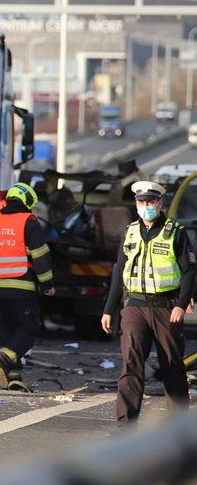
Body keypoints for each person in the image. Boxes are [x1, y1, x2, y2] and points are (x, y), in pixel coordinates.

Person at [101, 180, 194, 424]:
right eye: (142, 202)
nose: (146, 206)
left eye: (151, 202)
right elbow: (119, 271)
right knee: (131, 364)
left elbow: (189, 271)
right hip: (135, 307)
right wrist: (109, 310)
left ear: (160, 203)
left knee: (172, 366)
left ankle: (179, 428)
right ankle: (125, 425)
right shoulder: (130, 231)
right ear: (136, 204)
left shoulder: (176, 232)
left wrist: (181, 304)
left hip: (166, 307)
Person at [0, 182, 56, 390]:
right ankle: (4, 358)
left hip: (0, 287)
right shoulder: (29, 222)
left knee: (7, 331)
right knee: (28, 328)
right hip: (22, 286)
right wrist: (47, 284)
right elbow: (41, 257)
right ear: (27, 202)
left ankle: (14, 379)